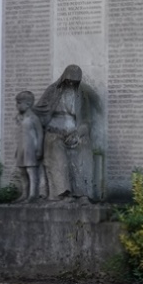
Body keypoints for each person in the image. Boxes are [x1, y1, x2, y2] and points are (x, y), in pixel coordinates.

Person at [34, 65, 94, 198]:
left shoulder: (82, 95)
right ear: (64, 79)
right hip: (54, 132)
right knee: (54, 145)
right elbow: (39, 113)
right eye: (69, 80)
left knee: (84, 144)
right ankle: (61, 192)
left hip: (74, 132)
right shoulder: (52, 91)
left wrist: (78, 134)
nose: (71, 83)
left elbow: (86, 121)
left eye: (75, 82)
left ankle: (82, 193)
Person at [14, 90, 46, 202]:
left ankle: (33, 194)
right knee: (22, 172)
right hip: (22, 149)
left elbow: (40, 134)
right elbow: (19, 135)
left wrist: (39, 149)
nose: (17, 106)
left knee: (31, 171)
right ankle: (24, 194)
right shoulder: (20, 118)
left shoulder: (34, 118)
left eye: (19, 103)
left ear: (27, 104)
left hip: (31, 148)